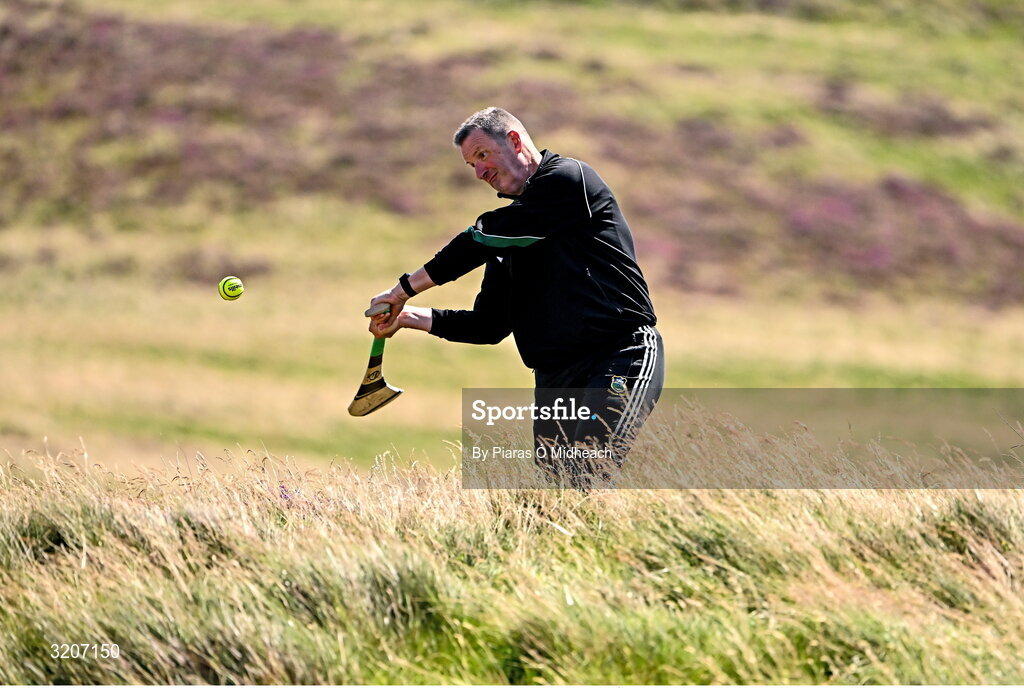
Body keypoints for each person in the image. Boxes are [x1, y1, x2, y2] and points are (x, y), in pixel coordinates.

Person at [367, 107, 664, 487]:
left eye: (481, 155)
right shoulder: (509, 240)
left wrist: (401, 290)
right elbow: (487, 325)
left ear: (514, 140)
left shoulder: (569, 181)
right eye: (471, 165)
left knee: (587, 469)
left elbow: (477, 240)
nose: (478, 172)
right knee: (554, 492)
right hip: (556, 377)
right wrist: (407, 317)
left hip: (619, 356)